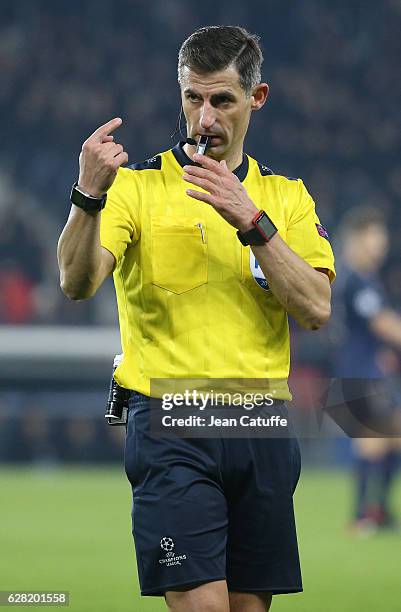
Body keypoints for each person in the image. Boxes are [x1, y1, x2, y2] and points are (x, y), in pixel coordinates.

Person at [58, 26, 335, 612]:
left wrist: (251, 219)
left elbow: (314, 308)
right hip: (169, 421)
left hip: (261, 424)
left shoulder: (286, 198)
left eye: (222, 100)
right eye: (193, 98)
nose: (203, 117)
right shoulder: (137, 188)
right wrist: (87, 195)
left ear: (256, 99)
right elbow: (76, 283)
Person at [330, 207, 401, 534]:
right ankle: (360, 516)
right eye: (375, 235)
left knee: (391, 438)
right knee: (371, 442)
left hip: (370, 370)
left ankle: (378, 512)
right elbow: (382, 324)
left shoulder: (366, 278)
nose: (382, 243)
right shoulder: (355, 278)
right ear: (358, 238)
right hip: (356, 372)